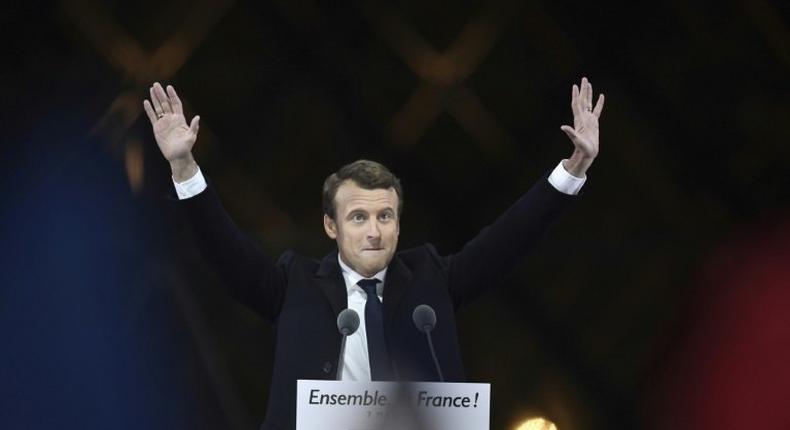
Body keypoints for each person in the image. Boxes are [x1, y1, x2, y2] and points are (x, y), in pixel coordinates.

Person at [143, 78, 604, 430]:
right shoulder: (292, 284)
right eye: (358, 218)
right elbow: (225, 251)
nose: (374, 231)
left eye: (385, 217)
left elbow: (509, 239)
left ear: (399, 224)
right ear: (331, 226)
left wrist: (573, 168)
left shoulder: (432, 278)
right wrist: (183, 165)